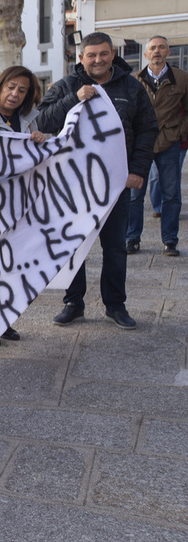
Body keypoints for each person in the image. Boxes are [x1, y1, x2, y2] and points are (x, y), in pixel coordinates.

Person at [36, 31, 158, 330]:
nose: (98, 60)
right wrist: (73, 99)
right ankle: (73, 302)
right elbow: (42, 121)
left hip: (116, 184)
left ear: (112, 54)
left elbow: (147, 129)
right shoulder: (67, 85)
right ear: (81, 58)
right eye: (91, 55)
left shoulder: (131, 87)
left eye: (103, 54)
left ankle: (115, 304)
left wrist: (138, 170)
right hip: (74, 185)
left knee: (115, 246)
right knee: (74, 245)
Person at [0, 65, 47, 344]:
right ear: (0, 86)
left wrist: (40, 140)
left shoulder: (28, 120)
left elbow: (33, 158)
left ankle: (3, 320)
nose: (14, 94)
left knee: (9, 265)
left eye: (22, 90)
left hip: (16, 203)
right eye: (11, 87)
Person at [127, 35, 188, 257]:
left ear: (168, 52)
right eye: (152, 48)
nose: (157, 52)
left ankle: (170, 241)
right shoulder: (133, 79)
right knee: (134, 194)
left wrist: (180, 131)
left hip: (169, 142)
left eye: (161, 48)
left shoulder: (181, 78)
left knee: (171, 194)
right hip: (141, 144)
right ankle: (131, 238)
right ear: (145, 54)